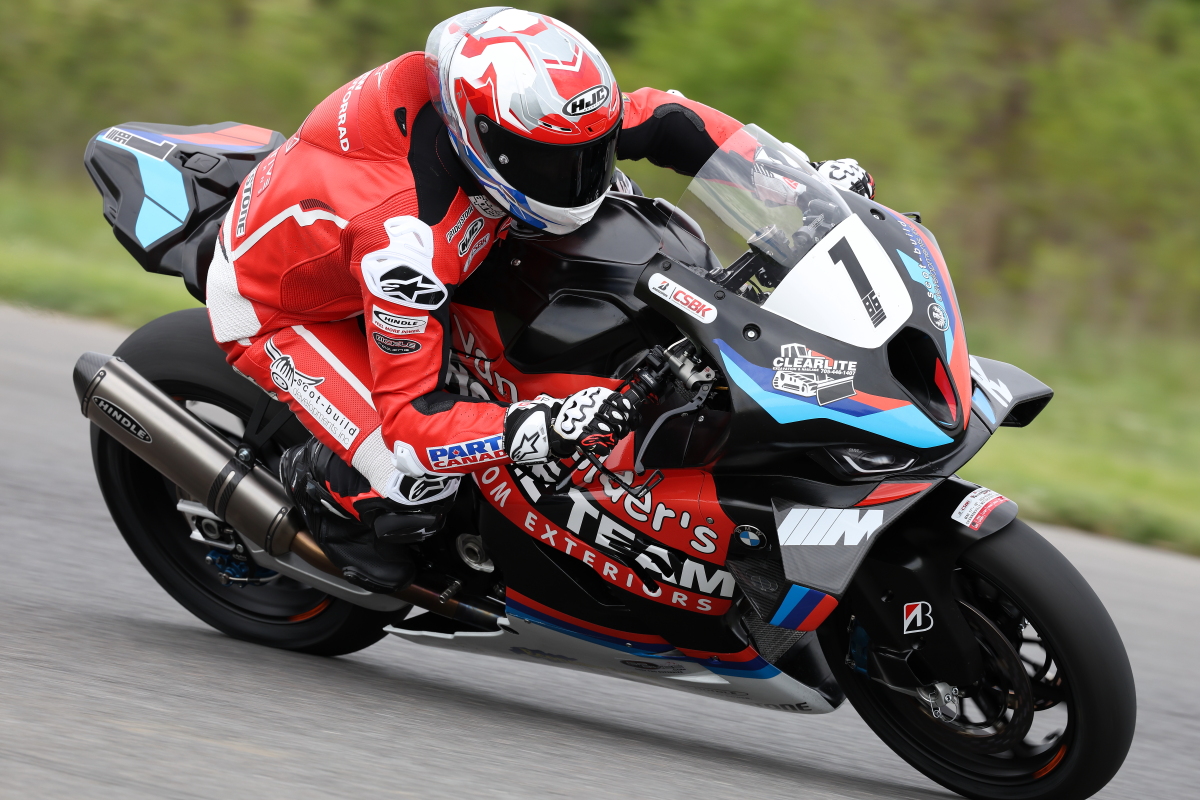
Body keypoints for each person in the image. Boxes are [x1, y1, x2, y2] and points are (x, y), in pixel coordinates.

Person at [205, 6, 875, 593]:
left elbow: (668, 121)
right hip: (286, 310)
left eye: (590, 156)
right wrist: (541, 426)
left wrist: (795, 184)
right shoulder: (405, 244)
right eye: (556, 166)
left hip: (416, 243)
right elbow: (413, 422)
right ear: (484, 142)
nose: (581, 177)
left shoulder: (529, 119)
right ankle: (325, 488)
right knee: (414, 479)